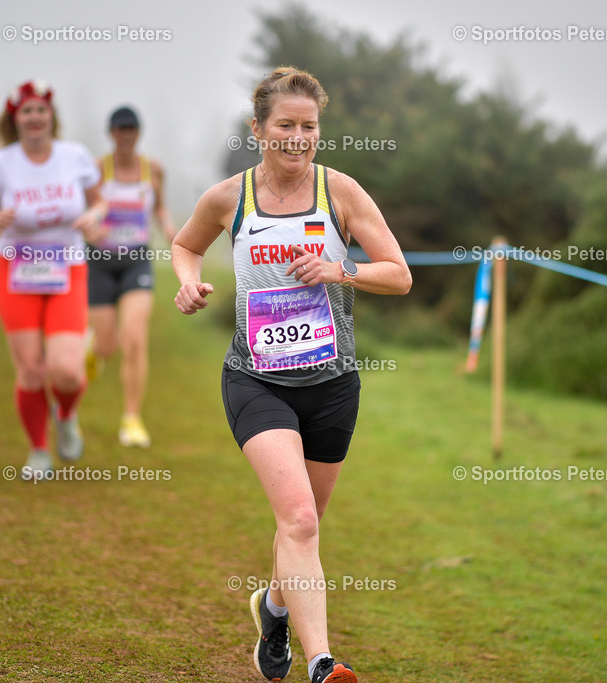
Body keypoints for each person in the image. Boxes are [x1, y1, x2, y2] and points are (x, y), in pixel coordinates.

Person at [172, 66, 411, 683]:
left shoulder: (342, 193)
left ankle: (273, 610)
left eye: (309, 126)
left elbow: (399, 273)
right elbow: (185, 244)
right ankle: (322, 664)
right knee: (299, 519)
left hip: (332, 386)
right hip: (257, 380)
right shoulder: (230, 198)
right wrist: (188, 283)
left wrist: (341, 272)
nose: (299, 137)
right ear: (259, 130)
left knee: (303, 524)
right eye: (286, 125)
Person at [0, 80, 106, 476]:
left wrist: (93, 218)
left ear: (52, 116)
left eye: (41, 110)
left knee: (67, 370)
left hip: (66, 267)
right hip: (14, 269)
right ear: (14, 120)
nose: (35, 118)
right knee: (32, 368)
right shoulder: (1, 162)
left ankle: (65, 414)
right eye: (26, 112)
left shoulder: (75, 156)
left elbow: (99, 200)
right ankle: (38, 450)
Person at [85, 106, 176, 448]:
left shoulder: (153, 170)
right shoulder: (97, 170)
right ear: (111, 133)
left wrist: (167, 224)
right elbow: (85, 211)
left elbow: (160, 206)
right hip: (100, 261)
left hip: (136, 261)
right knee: (107, 345)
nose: (126, 136)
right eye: (120, 130)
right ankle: (93, 349)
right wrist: (90, 225)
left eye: (131, 130)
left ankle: (132, 418)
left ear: (139, 133)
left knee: (135, 340)